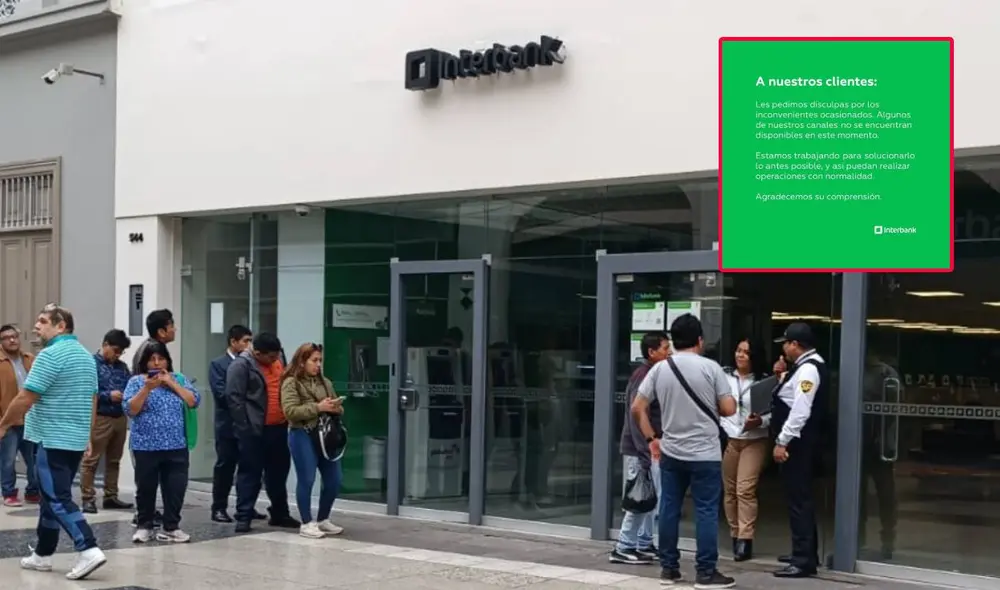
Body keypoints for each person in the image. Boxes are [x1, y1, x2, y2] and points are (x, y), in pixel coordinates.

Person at [0, 304, 107, 580]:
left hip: (51, 438)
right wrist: (88, 436)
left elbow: (26, 397)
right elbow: (92, 399)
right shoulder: (85, 357)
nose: (36, 326)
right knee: (50, 498)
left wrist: (3, 425)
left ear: (61, 326)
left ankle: (88, 548)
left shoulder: (49, 355)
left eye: (43, 321)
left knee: (57, 498)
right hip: (73, 440)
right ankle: (42, 554)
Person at [631, 314, 737, 589]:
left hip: (671, 452)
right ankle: (705, 572)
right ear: (700, 340)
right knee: (705, 511)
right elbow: (728, 409)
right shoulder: (711, 368)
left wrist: (652, 438)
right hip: (705, 454)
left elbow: (637, 407)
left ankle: (669, 568)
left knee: (668, 508)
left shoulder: (659, 369)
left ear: (674, 341)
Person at [124, 341, 200, 543]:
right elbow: (131, 409)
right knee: (146, 487)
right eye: (152, 359)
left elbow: (193, 401)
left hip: (176, 444)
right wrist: (147, 389)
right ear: (145, 362)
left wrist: (172, 384)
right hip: (146, 445)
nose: (156, 363)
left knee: (175, 487)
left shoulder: (179, 379)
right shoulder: (136, 382)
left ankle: (171, 526)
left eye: (161, 358)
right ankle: (144, 525)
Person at [771, 322, 828, 579]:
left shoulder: (808, 370)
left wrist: (782, 441)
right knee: (798, 499)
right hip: (801, 442)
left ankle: (804, 560)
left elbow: (800, 411)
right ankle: (803, 551)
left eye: (785, 343)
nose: (783, 348)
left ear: (795, 345)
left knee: (799, 501)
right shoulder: (803, 368)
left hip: (799, 444)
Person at [226, 332, 299, 532]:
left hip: (279, 427)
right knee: (250, 473)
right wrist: (245, 427)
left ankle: (280, 513)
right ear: (257, 353)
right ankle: (244, 515)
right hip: (254, 430)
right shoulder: (241, 366)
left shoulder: (279, 358)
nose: (275, 360)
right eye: (270, 357)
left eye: (277, 356)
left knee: (278, 473)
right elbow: (234, 399)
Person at [610, 331, 669, 565]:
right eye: (665, 348)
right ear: (652, 352)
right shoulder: (643, 376)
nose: (669, 352)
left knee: (650, 498)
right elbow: (637, 415)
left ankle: (644, 542)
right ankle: (624, 546)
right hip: (641, 449)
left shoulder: (653, 373)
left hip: (647, 448)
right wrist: (646, 449)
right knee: (638, 497)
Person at [280, 343, 345, 538]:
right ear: (302, 361)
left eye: (320, 361)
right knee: (307, 478)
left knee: (334, 479)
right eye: (314, 360)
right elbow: (290, 412)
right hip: (302, 433)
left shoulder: (325, 382)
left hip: (325, 435)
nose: (318, 365)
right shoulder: (290, 382)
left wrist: (336, 407)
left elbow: (337, 408)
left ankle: (323, 518)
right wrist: (318, 408)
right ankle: (307, 522)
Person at [208, 324, 264, 523]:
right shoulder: (219, 364)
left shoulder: (253, 363)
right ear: (233, 342)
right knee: (225, 466)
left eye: (250, 341)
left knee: (249, 467)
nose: (249, 345)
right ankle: (219, 507)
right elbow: (223, 394)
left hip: (248, 424)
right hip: (228, 425)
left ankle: (246, 506)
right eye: (245, 341)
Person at [720, 337, 770, 562]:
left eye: (746, 352)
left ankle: (745, 539)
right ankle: (734, 533)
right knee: (729, 490)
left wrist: (760, 421)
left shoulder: (764, 381)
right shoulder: (724, 376)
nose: (740, 355)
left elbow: (773, 411)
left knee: (745, 489)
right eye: (738, 350)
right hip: (731, 438)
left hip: (755, 439)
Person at [129, 308, 176, 528]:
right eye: (172, 325)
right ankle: (143, 516)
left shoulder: (155, 349)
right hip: (147, 428)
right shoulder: (149, 351)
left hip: (166, 433)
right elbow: (141, 385)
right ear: (162, 330)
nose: (175, 330)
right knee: (146, 478)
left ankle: (152, 513)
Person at [80, 329, 134, 514]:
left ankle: (111, 495)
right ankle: (88, 497)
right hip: (100, 416)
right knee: (91, 460)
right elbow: (87, 391)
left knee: (114, 460)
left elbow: (130, 385)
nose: (117, 355)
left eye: (121, 352)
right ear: (105, 345)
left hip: (119, 417)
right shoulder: (90, 364)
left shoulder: (122, 367)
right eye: (116, 350)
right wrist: (108, 395)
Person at [0, 324, 38, 507]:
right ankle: (8, 492)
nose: (12, 340)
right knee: (7, 460)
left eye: (14, 336)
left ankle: (33, 491)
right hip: (7, 420)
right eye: (7, 337)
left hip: (31, 419)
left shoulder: (29, 359)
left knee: (34, 460)